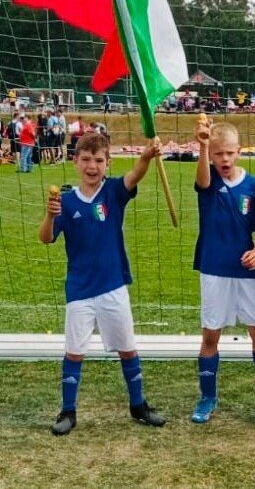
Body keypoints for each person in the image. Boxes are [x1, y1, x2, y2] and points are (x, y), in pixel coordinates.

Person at [38, 133, 166, 436]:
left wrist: (146, 156)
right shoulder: (65, 201)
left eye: (98, 160)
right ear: (75, 161)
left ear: (107, 163)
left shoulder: (112, 192)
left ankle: (138, 404)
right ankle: (68, 411)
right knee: (74, 352)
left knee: (128, 349)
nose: (92, 166)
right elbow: (45, 237)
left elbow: (134, 175)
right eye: (86, 159)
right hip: (80, 291)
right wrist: (50, 215)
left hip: (113, 286)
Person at [191, 120, 255, 423]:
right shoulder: (208, 179)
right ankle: (207, 397)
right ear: (211, 155)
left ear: (239, 151)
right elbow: (202, 180)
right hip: (214, 268)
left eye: (230, 153)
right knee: (211, 334)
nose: (224, 159)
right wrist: (203, 145)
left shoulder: (253, 186)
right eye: (218, 153)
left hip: (246, 272)